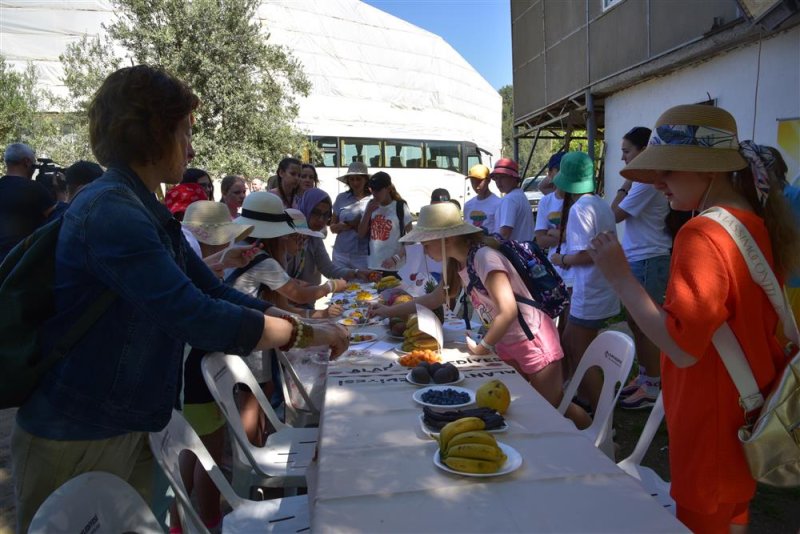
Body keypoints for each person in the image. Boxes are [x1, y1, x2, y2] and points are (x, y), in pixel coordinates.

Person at [9, 65, 349, 533]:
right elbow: (194, 314)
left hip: (128, 423)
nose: (191, 147)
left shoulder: (142, 207)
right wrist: (306, 332)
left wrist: (289, 321)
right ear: (153, 131)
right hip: (79, 432)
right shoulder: (113, 211)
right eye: (184, 131)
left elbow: (208, 289)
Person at [588, 104, 799, 533]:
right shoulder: (753, 224)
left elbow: (682, 349)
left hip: (711, 419)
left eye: (670, 169)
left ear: (710, 170)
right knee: (733, 513)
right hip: (748, 408)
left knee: (704, 520)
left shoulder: (701, 233)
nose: (659, 183)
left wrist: (620, 277)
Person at [370, 202, 590, 429]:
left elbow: (508, 311)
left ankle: (596, 435)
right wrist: (388, 311)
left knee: (552, 406)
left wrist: (482, 347)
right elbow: (436, 298)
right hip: (507, 341)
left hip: (533, 340)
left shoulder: (485, 258)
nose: (424, 249)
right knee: (519, 411)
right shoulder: (457, 263)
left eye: (426, 243)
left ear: (446, 239)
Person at [230, 192, 345, 446]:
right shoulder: (263, 260)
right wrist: (331, 287)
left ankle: (258, 445)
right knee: (252, 399)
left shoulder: (241, 251)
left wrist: (316, 318)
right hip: (251, 339)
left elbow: (281, 305)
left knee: (264, 392)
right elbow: (299, 294)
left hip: (249, 333)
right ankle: (251, 454)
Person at [548, 151, 619, 411]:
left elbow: (587, 254)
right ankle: (586, 399)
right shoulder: (600, 203)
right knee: (570, 342)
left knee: (580, 352)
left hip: (589, 289)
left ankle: (602, 414)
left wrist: (561, 259)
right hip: (601, 286)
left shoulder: (579, 209)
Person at [609, 126, 672, 410]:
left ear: (643, 151)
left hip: (650, 258)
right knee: (636, 321)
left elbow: (614, 214)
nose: (623, 158)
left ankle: (653, 385)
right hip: (641, 257)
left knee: (646, 325)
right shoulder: (641, 182)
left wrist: (624, 184)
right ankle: (647, 376)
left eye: (626, 152)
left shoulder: (644, 183)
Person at [292, 187, 373, 285]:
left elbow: (328, 268)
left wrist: (357, 273)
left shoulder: (315, 237)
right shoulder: (290, 235)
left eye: (326, 215)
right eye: (316, 213)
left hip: (306, 297)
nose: (321, 220)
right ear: (306, 209)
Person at [533, 164, 573, 336]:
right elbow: (540, 240)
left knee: (570, 323)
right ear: (551, 174)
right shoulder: (546, 201)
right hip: (554, 269)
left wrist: (553, 232)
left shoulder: (576, 200)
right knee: (554, 323)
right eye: (559, 172)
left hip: (574, 269)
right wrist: (563, 235)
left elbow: (579, 237)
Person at [0, 142, 56, 260]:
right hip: (20, 261)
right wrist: (61, 192)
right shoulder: (35, 189)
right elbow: (56, 219)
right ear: (26, 162)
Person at [358, 171, 412, 274]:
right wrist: (368, 213)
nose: (374, 193)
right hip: (373, 265)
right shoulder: (371, 205)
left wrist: (396, 258)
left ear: (388, 189)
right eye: (372, 189)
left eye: (378, 190)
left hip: (396, 267)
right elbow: (361, 234)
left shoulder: (400, 207)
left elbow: (411, 238)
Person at [330, 161, 371, 270]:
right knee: (341, 286)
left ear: (365, 180)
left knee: (365, 286)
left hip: (364, 255)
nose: (355, 182)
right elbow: (332, 227)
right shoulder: (341, 198)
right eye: (352, 179)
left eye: (358, 179)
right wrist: (345, 225)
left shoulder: (373, 200)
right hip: (341, 253)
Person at [491, 158, 535, 241]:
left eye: (502, 177)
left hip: (512, 252)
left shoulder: (510, 199)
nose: (498, 181)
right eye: (496, 178)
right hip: (524, 250)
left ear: (514, 178)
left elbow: (504, 235)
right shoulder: (520, 196)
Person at [463, 163, 501, 234]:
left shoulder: (498, 204)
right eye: (472, 182)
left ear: (488, 180)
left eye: (479, 181)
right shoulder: (468, 205)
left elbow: (499, 234)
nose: (476, 185)